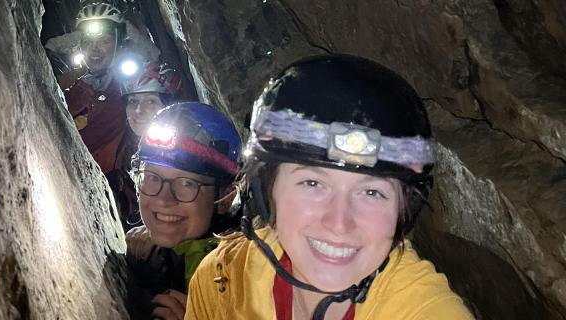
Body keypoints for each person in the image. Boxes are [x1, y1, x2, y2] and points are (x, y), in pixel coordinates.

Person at [185, 55, 474, 320]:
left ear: (404, 210)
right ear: (264, 190)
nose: (339, 223)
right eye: (312, 183)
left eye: (372, 192)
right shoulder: (221, 279)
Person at [125, 102, 241, 320]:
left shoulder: (244, 274)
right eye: (152, 178)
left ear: (225, 197)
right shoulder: (168, 251)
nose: (164, 199)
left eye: (187, 184)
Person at [44, 2, 159, 174]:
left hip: (111, 178)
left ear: (119, 43)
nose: (95, 49)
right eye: (88, 43)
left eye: (104, 41)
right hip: (62, 168)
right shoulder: (75, 84)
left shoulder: (130, 84)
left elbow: (153, 56)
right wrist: (79, 38)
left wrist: (124, 28)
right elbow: (49, 47)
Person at [110, 61, 183, 230]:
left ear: (170, 108)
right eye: (133, 101)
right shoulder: (126, 148)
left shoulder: (183, 154)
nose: (138, 111)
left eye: (151, 102)